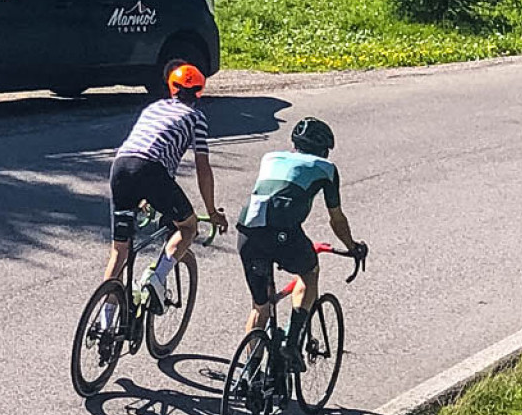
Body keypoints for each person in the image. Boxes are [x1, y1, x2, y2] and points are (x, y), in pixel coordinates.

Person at [102, 62, 229, 314]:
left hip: (121, 165)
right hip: (151, 170)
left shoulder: (153, 107)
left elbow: (146, 146)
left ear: (172, 88)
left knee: (119, 251)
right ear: (199, 92)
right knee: (188, 227)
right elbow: (202, 168)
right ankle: (156, 279)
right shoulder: (196, 118)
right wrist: (212, 211)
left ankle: (105, 320)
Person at [237, 116, 363, 358]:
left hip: (247, 231)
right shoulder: (326, 168)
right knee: (309, 273)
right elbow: (336, 219)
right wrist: (352, 246)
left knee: (260, 307)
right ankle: (291, 344)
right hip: (283, 233)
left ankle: (249, 373)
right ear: (324, 149)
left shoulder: (270, 157)